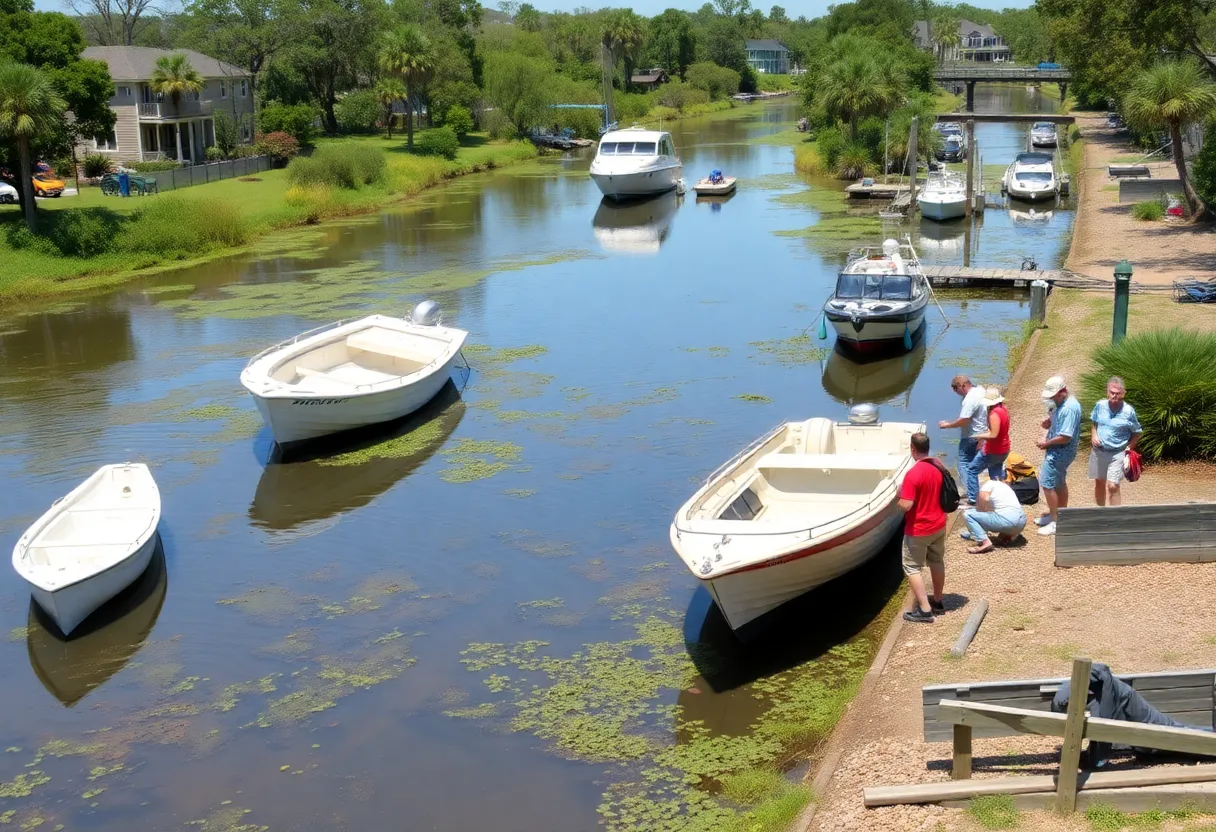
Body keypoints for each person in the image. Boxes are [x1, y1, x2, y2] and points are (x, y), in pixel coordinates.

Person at [898, 432, 948, 623]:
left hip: (919, 529)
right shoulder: (938, 465)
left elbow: (907, 505)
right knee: (936, 561)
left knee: (911, 567)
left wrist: (898, 500)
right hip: (939, 524)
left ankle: (925, 610)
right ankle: (938, 600)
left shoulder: (913, 474)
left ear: (912, 448)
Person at [1035, 375, 1081, 536]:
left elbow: (1065, 436)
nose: (1052, 399)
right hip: (1060, 451)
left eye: (1054, 396)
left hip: (1061, 452)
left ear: (1063, 391)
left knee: (1047, 484)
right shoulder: (1063, 404)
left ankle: (1056, 522)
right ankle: (1060, 514)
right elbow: (1057, 419)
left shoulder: (1069, 408)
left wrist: (1045, 443)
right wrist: (1049, 422)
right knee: (1059, 483)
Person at [1089, 375, 1142, 507]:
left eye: (1118, 394)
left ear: (1123, 394)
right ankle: (1100, 513)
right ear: (1107, 392)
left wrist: (1129, 448)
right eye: (1112, 393)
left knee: (1113, 485)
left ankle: (1115, 516)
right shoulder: (1100, 406)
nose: (1114, 396)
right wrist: (1094, 435)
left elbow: (1137, 432)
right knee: (1099, 482)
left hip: (1117, 452)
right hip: (1099, 451)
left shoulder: (1128, 411)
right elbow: (1094, 422)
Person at [937, 375, 987, 506]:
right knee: (975, 464)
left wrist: (948, 425)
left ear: (962, 386)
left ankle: (972, 496)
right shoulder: (981, 391)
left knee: (963, 464)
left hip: (971, 436)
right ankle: (977, 491)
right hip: (983, 433)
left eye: (955, 389)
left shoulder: (969, 400)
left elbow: (964, 419)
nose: (955, 392)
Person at [960, 478, 1027, 553]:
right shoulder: (1005, 487)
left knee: (968, 514)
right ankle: (1008, 537)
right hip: (1022, 521)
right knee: (997, 516)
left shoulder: (987, 485)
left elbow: (982, 506)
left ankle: (985, 543)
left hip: (1008, 521)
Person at [971, 386, 1011, 486]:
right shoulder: (1003, 409)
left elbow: (993, 434)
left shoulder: (994, 414)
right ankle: (1001, 497)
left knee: (972, 470)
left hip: (993, 450)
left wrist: (978, 436)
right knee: (996, 476)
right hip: (1004, 448)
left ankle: (973, 499)